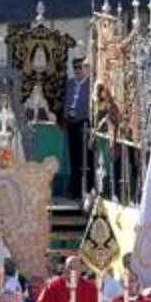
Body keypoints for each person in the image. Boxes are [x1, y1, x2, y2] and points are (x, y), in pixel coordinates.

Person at [63, 58, 91, 201]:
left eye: (79, 67)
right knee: (73, 157)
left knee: (84, 157)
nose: (77, 70)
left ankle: (85, 188)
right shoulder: (69, 83)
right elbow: (66, 102)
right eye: (75, 68)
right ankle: (74, 189)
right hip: (71, 123)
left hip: (84, 124)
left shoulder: (90, 85)